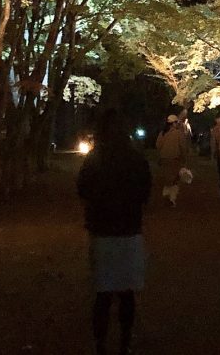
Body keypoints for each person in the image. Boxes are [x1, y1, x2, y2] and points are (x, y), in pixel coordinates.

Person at [77, 108, 152, 355]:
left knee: (103, 294)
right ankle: (125, 342)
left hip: (102, 232)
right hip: (129, 231)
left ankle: (100, 343)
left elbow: (83, 191)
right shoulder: (136, 158)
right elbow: (145, 192)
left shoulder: (94, 159)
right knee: (127, 293)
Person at [155, 113, 189, 207]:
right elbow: (183, 147)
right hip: (175, 159)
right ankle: (171, 199)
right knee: (174, 180)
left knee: (166, 179)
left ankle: (165, 195)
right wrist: (184, 159)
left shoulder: (162, 133)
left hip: (164, 159)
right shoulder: (178, 133)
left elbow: (158, 146)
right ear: (174, 123)